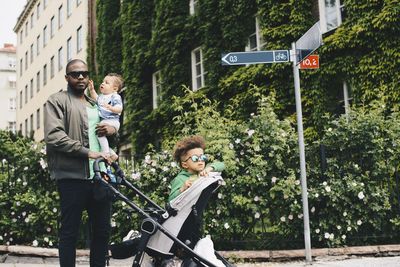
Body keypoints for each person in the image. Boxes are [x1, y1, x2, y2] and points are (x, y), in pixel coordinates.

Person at [44, 59, 116, 267]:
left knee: (102, 232)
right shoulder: (57, 101)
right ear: (67, 78)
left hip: (101, 176)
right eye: (75, 74)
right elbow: (54, 136)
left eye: (84, 73)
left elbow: (107, 132)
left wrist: (111, 131)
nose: (81, 77)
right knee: (69, 232)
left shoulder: (95, 104)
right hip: (72, 177)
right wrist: (88, 153)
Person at [169, 135, 225, 202]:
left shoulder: (203, 172)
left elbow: (221, 165)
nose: (200, 160)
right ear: (185, 164)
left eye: (202, 157)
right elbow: (170, 200)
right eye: (195, 158)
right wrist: (182, 189)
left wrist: (210, 168)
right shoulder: (180, 179)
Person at [88, 74, 123, 162]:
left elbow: (119, 108)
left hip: (113, 120)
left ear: (114, 89)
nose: (103, 84)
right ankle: (112, 154)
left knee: (99, 134)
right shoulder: (101, 96)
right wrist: (92, 89)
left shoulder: (115, 96)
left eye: (107, 83)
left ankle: (106, 153)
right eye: (103, 82)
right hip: (106, 120)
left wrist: (112, 108)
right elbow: (95, 98)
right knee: (100, 137)